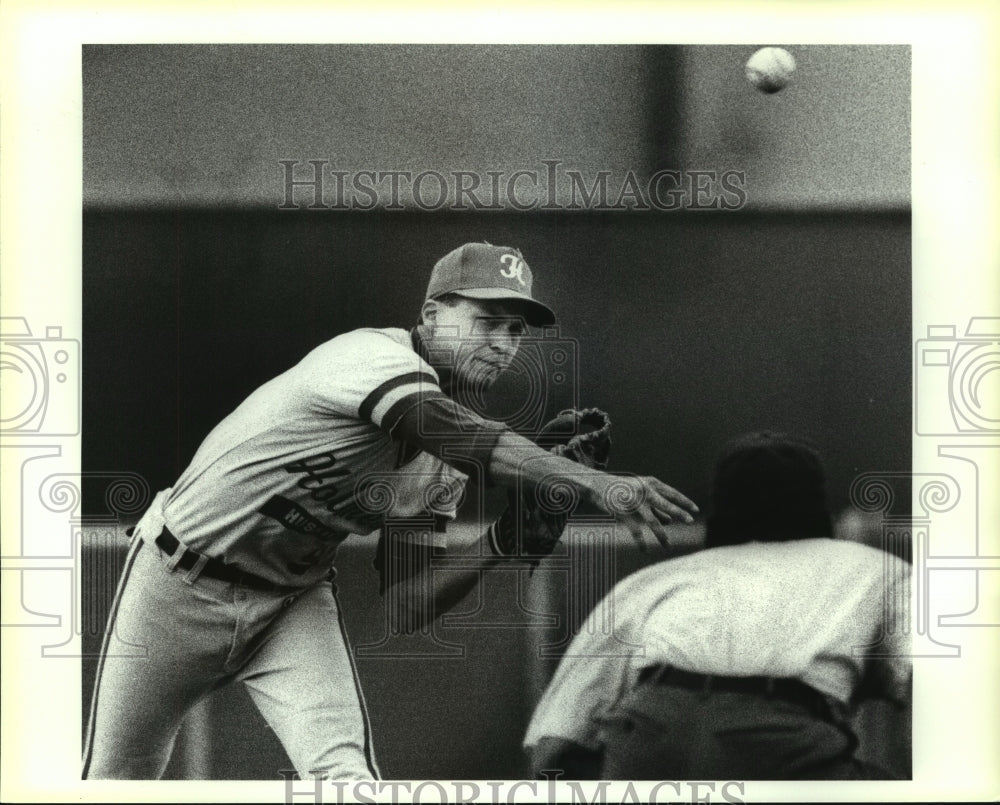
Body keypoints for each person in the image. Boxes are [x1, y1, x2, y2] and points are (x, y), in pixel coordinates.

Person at [82, 241, 698, 780]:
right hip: (177, 583)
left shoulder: (442, 467)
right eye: (487, 321)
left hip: (290, 603)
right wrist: (591, 481)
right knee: (117, 780)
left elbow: (407, 602)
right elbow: (449, 429)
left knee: (347, 777)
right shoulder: (369, 356)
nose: (503, 344)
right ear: (430, 315)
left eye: (515, 331)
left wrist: (503, 541)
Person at [524, 431, 911, 780]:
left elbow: (553, 750)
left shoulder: (655, 580)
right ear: (818, 508)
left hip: (648, 734)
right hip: (780, 740)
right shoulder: (878, 569)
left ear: (719, 512)